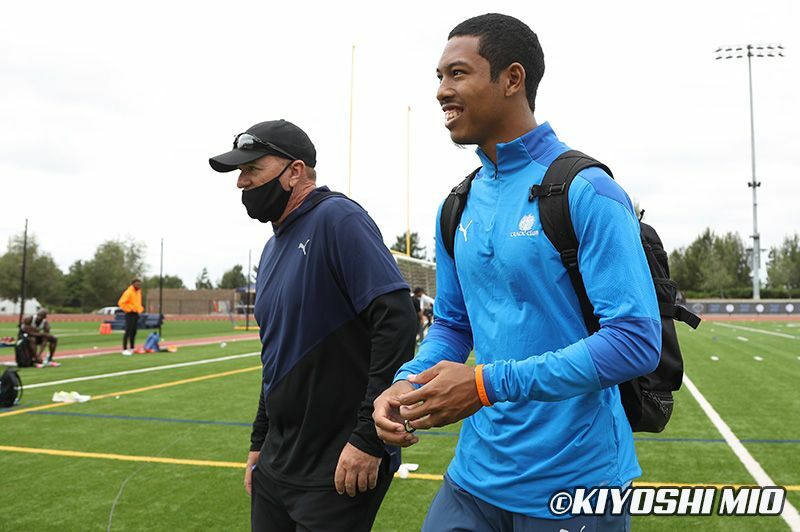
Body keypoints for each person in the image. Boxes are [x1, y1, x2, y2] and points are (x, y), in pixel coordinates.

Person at [373, 13, 661, 531]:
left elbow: (636, 342)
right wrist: (406, 382)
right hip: (473, 481)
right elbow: (453, 326)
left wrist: (484, 385)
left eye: (457, 74)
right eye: (438, 77)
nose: (442, 91)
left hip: (575, 485)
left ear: (512, 79)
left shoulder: (587, 191)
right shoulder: (455, 205)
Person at [209, 119, 417, 531]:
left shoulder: (337, 218)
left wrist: (367, 439)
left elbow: (396, 320)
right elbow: (276, 357)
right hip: (278, 463)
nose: (241, 182)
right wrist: (258, 442)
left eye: (252, 169)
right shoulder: (271, 249)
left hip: (338, 464)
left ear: (295, 171)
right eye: (239, 172)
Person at [117, 278, 143, 355]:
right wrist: (129, 309)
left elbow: (138, 303)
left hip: (136, 313)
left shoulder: (138, 292)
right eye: (137, 284)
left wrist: (140, 309)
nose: (139, 286)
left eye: (139, 284)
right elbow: (121, 303)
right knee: (128, 330)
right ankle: (124, 349)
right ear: (133, 284)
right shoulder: (128, 292)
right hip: (129, 313)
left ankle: (132, 347)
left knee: (134, 331)